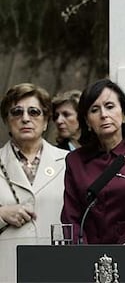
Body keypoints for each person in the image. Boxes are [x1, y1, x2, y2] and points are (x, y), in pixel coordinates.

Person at [61, 79, 125, 244]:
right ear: (87, 121)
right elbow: (71, 217)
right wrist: (82, 253)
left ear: (124, 114)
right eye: (94, 110)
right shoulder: (75, 161)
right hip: (85, 256)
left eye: (110, 106)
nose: (104, 115)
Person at [0, 83, 68, 282]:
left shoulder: (69, 162)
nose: (25, 118)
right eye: (16, 112)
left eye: (34, 112)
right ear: (7, 120)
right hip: (7, 269)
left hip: (58, 269)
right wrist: (2, 214)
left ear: (46, 121)